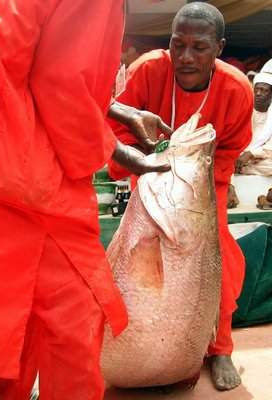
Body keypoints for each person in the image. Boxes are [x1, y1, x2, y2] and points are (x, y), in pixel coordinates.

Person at [0, 1, 172, 399]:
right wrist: (115, 149)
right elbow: (60, 81)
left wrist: (115, 109)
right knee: (73, 317)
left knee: (19, 308)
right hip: (19, 159)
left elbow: (36, 58)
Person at [108, 1, 253, 391]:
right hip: (151, 183)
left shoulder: (238, 89)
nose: (185, 57)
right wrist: (144, 161)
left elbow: (231, 149)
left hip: (201, 191)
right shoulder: (148, 69)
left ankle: (220, 348)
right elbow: (115, 130)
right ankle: (141, 347)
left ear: (219, 47)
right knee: (132, 265)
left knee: (220, 260)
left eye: (199, 47)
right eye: (178, 44)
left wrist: (194, 174)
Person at [236, 71, 272, 176]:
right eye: (256, 89)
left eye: (264, 91)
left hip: (260, 158)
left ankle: (241, 169)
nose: (258, 94)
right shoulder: (241, 109)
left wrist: (251, 154)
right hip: (237, 153)